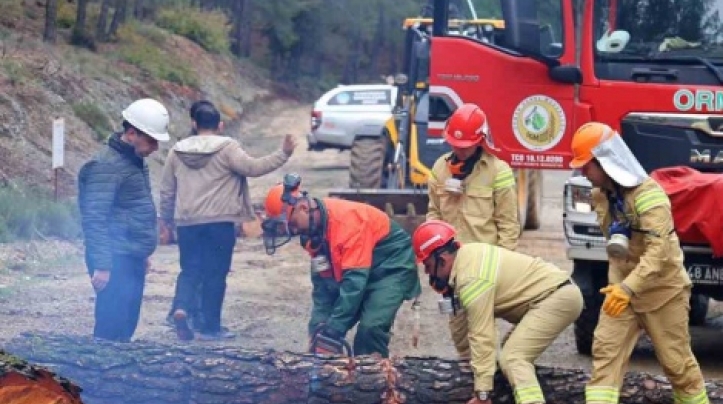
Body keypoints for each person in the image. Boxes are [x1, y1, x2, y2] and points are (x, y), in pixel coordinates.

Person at [561, 122, 715, 404]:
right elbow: (618, 245)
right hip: (624, 289)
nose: (583, 173)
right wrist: (621, 285)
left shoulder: (651, 197)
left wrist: (628, 288)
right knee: (605, 352)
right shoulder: (602, 194)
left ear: (604, 162)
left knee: (676, 362)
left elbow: (658, 255)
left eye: (586, 165)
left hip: (663, 291)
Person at [411, 219, 583, 404]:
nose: (427, 272)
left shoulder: (472, 279)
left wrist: (482, 394)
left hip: (556, 298)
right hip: (549, 297)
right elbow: (462, 325)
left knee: (513, 356)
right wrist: (465, 367)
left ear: (441, 257)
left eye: (427, 265)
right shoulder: (465, 262)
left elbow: (482, 337)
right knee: (508, 355)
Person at [158, 100, 297, 341]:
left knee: (190, 270)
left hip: (188, 223)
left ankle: (181, 308)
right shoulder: (227, 148)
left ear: (193, 123)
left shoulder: (176, 151)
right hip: (219, 223)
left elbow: (167, 191)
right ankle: (210, 327)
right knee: (216, 273)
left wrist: (168, 220)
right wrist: (283, 153)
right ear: (220, 125)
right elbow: (254, 167)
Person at [261, 174, 420, 357]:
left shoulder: (347, 224)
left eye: (294, 224)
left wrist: (335, 328)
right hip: (360, 270)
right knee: (323, 327)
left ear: (303, 207)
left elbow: (354, 285)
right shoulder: (313, 236)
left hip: (391, 267)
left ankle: (371, 378)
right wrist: (319, 327)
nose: (295, 231)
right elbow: (323, 286)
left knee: (370, 328)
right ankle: (330, 376)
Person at [77, 98, 171, 342]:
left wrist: (142, 251)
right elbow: (94, 217)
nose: (155, 148)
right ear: (131, 133)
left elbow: (133, 209)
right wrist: (103, 265)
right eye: (151, 140)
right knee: (111, 330)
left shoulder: (133, 162)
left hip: (129, 256)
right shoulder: (106, 165)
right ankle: (98, 378)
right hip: (114, 258)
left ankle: (115, 377)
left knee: (126, 324)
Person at [426, 103, 520, 250]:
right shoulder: (440, 168)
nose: (459, 149)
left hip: (482, 261)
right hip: (448, 260)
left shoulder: (498, 171)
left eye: (465, 146)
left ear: (480, 140)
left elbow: (508, 225)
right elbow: (434, 214)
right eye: (455, 144)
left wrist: (502, 262)